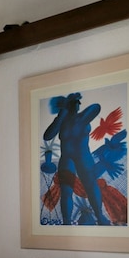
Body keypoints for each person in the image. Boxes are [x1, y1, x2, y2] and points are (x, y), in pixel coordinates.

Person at [42, 92, 110, 225]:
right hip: (67, 158)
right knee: (66, 191)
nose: (76, 105)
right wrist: (61, 116)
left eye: (77, 103)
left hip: (83, 157)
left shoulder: (83, 118)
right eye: (73, 103)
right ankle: (67, 222)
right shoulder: (62, 121)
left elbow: (96, 108)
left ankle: (99, 216)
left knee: (91, 186)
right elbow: (47, 136)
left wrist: (72, 101)